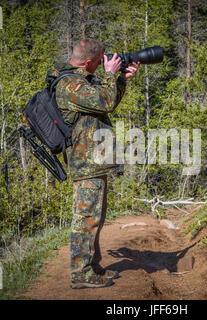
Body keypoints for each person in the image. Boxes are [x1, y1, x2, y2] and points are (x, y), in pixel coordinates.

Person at [48, 38, 140, 289]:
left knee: (94, 217)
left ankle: (91, 265)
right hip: (85, 162)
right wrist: (111, 75)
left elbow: (105, 102)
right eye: (100, 63)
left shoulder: (81, 81)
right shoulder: (70, 85)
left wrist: (120, 80)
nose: (102, 66)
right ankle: (80, 273)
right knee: (85, 218)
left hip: (93, 161)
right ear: (89, 61)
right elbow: (106, 102)